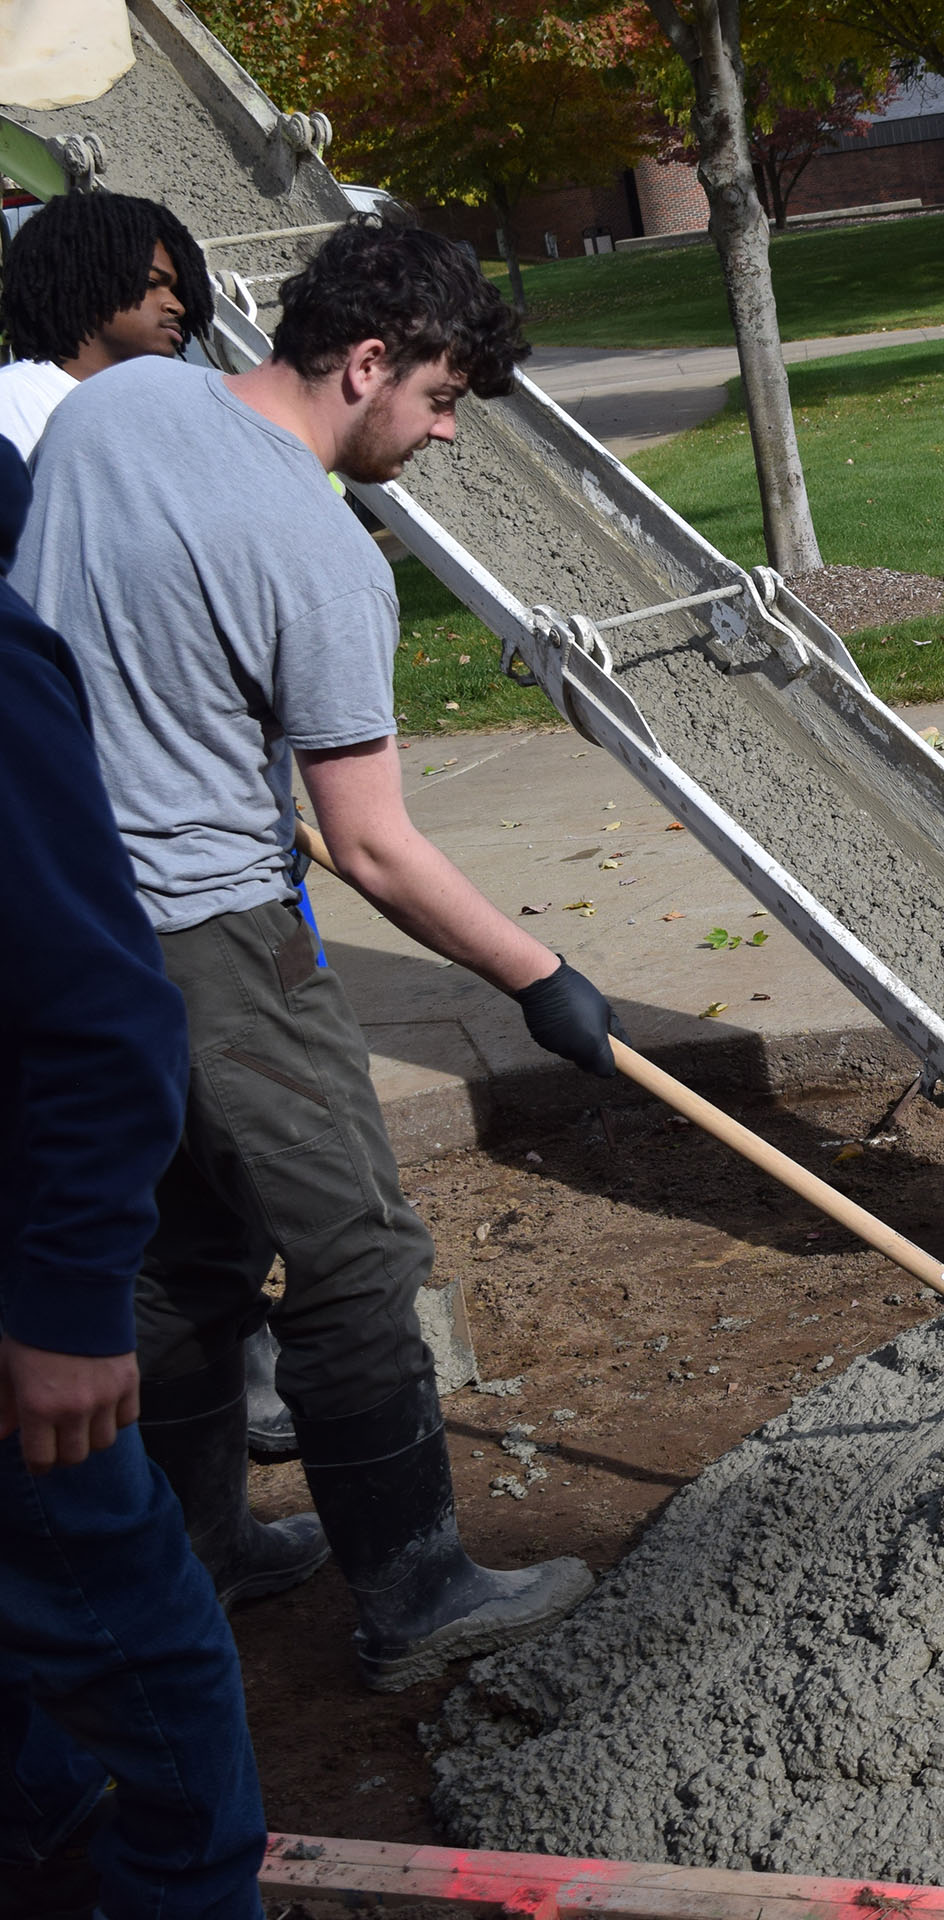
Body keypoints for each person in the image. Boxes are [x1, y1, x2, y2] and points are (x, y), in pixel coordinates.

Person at [14, 217, 620, 1691]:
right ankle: (418, 1598)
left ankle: (192, 1558)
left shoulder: (115, 406)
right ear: (367, 361)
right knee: (354, 1257)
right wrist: (539, 976)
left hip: (60, 920)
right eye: (441, 397)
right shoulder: (323, 557)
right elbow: (374, 845)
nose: (442, 432)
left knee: (182, 1257)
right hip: (215, 938)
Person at [0, 432, 266, 1920]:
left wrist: (66, 1301)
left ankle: (182, 1886)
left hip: (17, 1303)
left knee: (136, 1642)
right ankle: (48, 1831)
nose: (440, 434)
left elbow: (104, 1018)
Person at [0, 189, 211, 457]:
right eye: (151, 283)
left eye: (178, 293)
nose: (177, 306)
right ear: (81, 280)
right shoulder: (14, 399)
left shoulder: (158, 426)